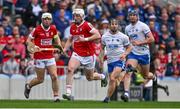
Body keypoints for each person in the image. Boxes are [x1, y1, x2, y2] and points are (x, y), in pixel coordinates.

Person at [62, 8, 107, 101]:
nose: (76, 17)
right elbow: (70, 39)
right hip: (77, 53)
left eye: (78, 15)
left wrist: (85, 39)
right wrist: (65, 48)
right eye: (75, 15)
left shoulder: (87, 25)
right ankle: (68, 93)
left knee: (90, 78)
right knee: (70, 69)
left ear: (82, 16)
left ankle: (102, 76)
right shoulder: (72, 27)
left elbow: (98, 35)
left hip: (88, 55)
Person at [24, 12, 63, 102]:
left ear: (51, 20)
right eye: (45, 19)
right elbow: (28, 41)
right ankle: (28, 86)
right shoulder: (36, 30)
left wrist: (59, 47)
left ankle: (56, 96)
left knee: (54, 76)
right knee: (40, 79)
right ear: (42, 20)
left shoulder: (53, 29)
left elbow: (57, 40)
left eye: (48, 19)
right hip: (39, 57)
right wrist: (34, 46)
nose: (46, 21)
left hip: (50, 56)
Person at [121, 9, 155, 102]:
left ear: (137, 16)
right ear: (128, 17)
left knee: (145, 75)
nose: (132, 16)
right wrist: (125, 53)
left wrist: (140, 42)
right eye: (130, 15)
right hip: (133, 54)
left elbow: (152, 39)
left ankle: (153, 77)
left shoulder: (143, 26)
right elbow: (128, 42)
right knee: (128, 72)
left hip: (144, 54)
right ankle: (126, 93)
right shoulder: (127, 28)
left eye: (134, 15)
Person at [101, 19, 132, 103]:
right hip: (110, 61)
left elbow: (130, 47)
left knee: (112, 78)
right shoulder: (104, 36)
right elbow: (102, 48)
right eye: (112, 24)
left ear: (118, 26)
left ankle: (107, 98)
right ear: (109, 25)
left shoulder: (123, 36)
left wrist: (124, 54)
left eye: (115, 24)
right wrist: (101, 59)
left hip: (119, 60)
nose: (114, 25)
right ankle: (126, 71)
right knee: (115, 82)